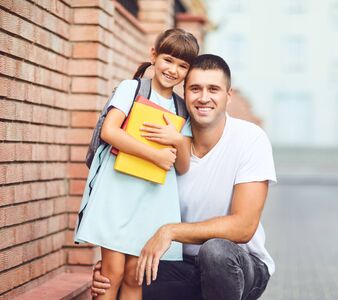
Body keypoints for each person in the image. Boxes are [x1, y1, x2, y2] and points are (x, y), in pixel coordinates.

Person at [91, 54, 277, 300]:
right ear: (184, 93)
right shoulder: (166, 138)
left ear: (228, 96)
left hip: (240, 266)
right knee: (125, 280)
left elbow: (243, 227)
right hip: (179, 262)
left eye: (213, 89)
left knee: (215, 252)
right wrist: (113, 268)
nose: (203, 98)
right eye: (195, 89)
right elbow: (134, 204)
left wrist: (170, 231)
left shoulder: (250, 139)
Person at [74, 29, 199, 300]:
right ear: (153, 56)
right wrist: (154, 155)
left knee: (135, 275)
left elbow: (184, 165)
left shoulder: (181, 108)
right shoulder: (131, 89)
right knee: (112, 272)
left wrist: (177, 140)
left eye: (183, 65)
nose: (173, 70)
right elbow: (110, 131)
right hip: (117, 193)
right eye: (168, 60)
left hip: (150, 201)